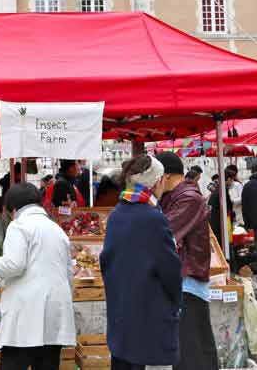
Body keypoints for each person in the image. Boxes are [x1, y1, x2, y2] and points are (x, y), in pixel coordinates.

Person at [100, 155, 182, 370]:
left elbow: (105, 261)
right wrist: (175, 303)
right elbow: (170, 270)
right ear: (157, 181)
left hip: (121, 313)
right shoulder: (153, 218)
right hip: (148, 316)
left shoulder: (117, 214)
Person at [0, 183, 75, 369]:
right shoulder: (56, 229)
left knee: (14, 363)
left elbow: (15, 264)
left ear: (14, 209)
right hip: (55, 312)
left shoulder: (19, 226)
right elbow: (68, 273)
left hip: (27, 313)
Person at [156, 152, 218, 370]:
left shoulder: (189, 198)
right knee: (189, 346)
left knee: (193, 348)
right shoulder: (173, 195)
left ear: (166, 176)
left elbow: (163, 232)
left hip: (188, 279)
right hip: (180, 278)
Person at [208, 170, 235, 248]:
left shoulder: (218, 190)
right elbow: (227, 207)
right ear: (229, 179)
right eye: (232, 180)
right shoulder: (222, 192)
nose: (232, 182)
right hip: (219, 224)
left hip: (216, 223)